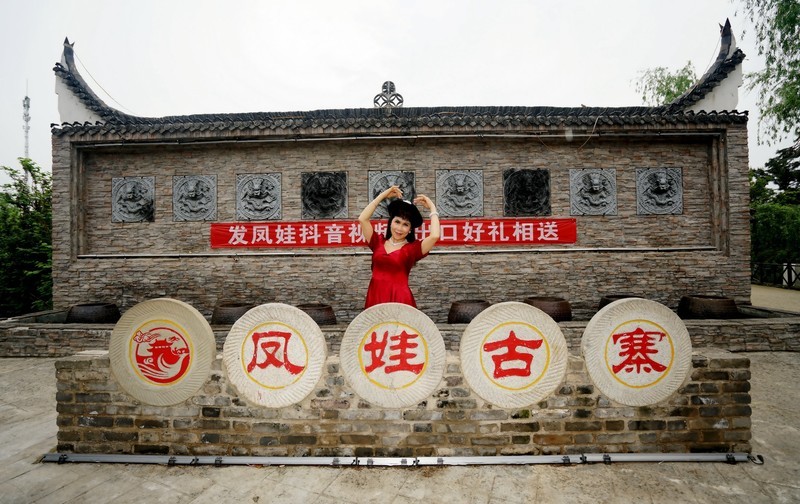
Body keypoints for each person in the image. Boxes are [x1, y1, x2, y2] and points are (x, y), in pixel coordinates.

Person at [358, 185, 440, 309]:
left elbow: (434, 236)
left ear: (410, 229)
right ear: (391, 222)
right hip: (375, 298)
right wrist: (382, 196)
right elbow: (362, 219)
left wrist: (432, 208)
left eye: (405, 224)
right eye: (397, 222)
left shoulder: (412, 249)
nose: (399, 228)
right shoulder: (377, 242)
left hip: (401, 300)